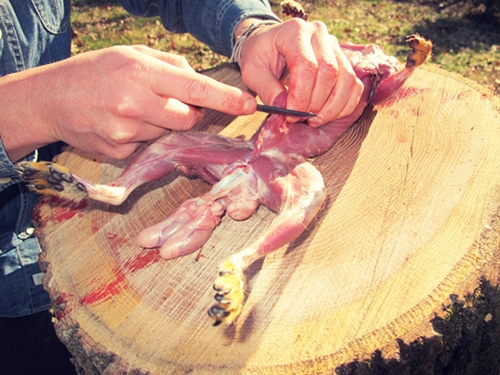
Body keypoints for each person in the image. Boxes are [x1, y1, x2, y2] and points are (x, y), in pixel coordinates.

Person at [0, 1, 363, 373]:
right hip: (12, 305)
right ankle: (227, 254)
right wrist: (27, 109)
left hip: (251, 158)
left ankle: (233, 258)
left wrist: (250, 28)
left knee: (308, 194)